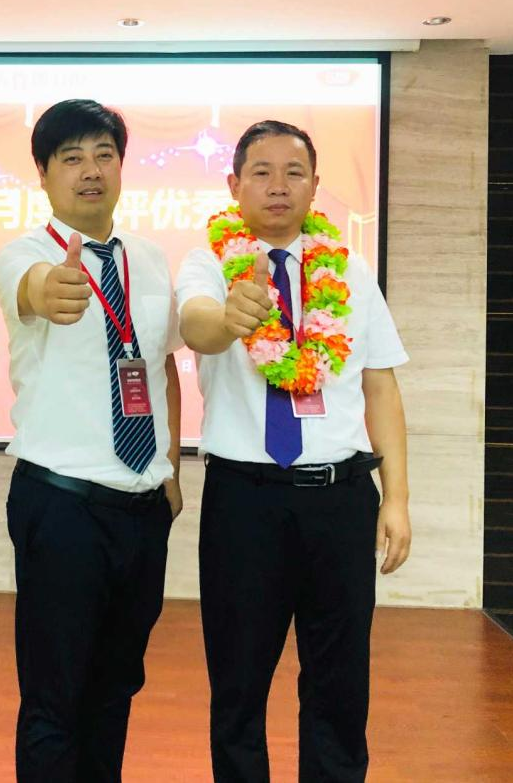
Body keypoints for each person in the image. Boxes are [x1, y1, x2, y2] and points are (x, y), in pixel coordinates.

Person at [177, 120, 411, 782]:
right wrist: (230, 316)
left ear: (314, 185)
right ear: (234, 184)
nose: (278, 185)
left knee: (340, 684)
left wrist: (396, 497)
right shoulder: (209, 262)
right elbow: (196, 325)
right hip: (244, 503)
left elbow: (380, 385)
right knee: (238, 683)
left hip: (340, 499)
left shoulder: (351, 271)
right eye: (261, 171)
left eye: (294, 172)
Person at [0, 98, 183, 782]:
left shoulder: (150, 259)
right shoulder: (23, 254)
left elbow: (159, 366)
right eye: (71, 157)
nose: (91, 170)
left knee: (115, 688)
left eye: (104, 154)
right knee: (55, 696)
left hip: (142, 508)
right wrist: (55, 289)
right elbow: (37, 290)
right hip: (62, 505)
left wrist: (170, 469)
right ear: (43, 174)